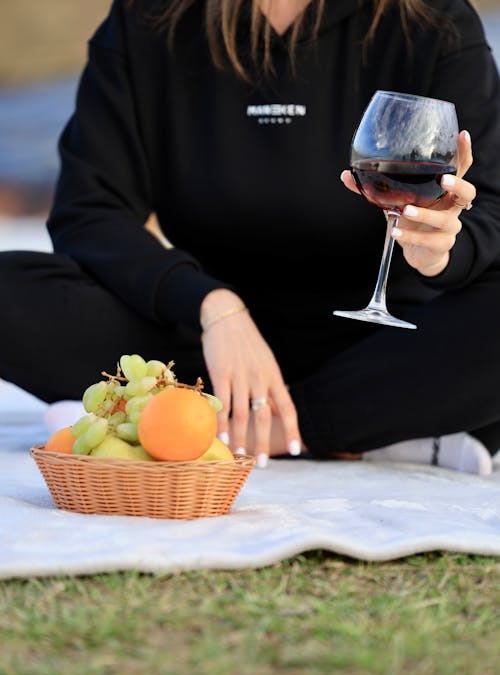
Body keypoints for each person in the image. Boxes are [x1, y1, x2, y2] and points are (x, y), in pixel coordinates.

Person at [1, 0, 500, 474]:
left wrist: (442, 249)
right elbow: (90, 211)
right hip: (201, 347)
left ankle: (253, 427)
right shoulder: (150, 18)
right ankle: (381, 431)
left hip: (387, 348)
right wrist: (214, 307)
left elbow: (490, 207)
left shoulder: (433, 20)